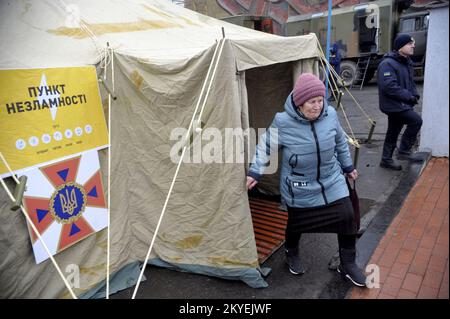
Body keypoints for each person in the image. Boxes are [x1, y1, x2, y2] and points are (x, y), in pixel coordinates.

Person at [246, 73, 366, 287]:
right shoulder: (283, 122)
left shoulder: (330, 115)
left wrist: (348, 167)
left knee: (347, 215)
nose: (317, 106)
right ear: (300, 103)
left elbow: (339, 142)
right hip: (299, 185)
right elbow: (265, 146)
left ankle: (347, 264)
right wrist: (255, 171)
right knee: (297, 223)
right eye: (312, 102)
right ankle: (291, 252)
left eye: (320, 100)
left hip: (331, 178)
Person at [378, 33, 423, 171]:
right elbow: (389, 86)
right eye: (410, 44)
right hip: (393, 105)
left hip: (401, 104)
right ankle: (403, 151)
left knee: (393, 130)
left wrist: (414, 94)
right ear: (400, 47)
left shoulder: (406, 61)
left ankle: (386, 160)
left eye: (412, 43)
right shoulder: (387, 64)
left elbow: (409, 82)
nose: (413, 45)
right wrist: (408, 97)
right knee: (416, 121)